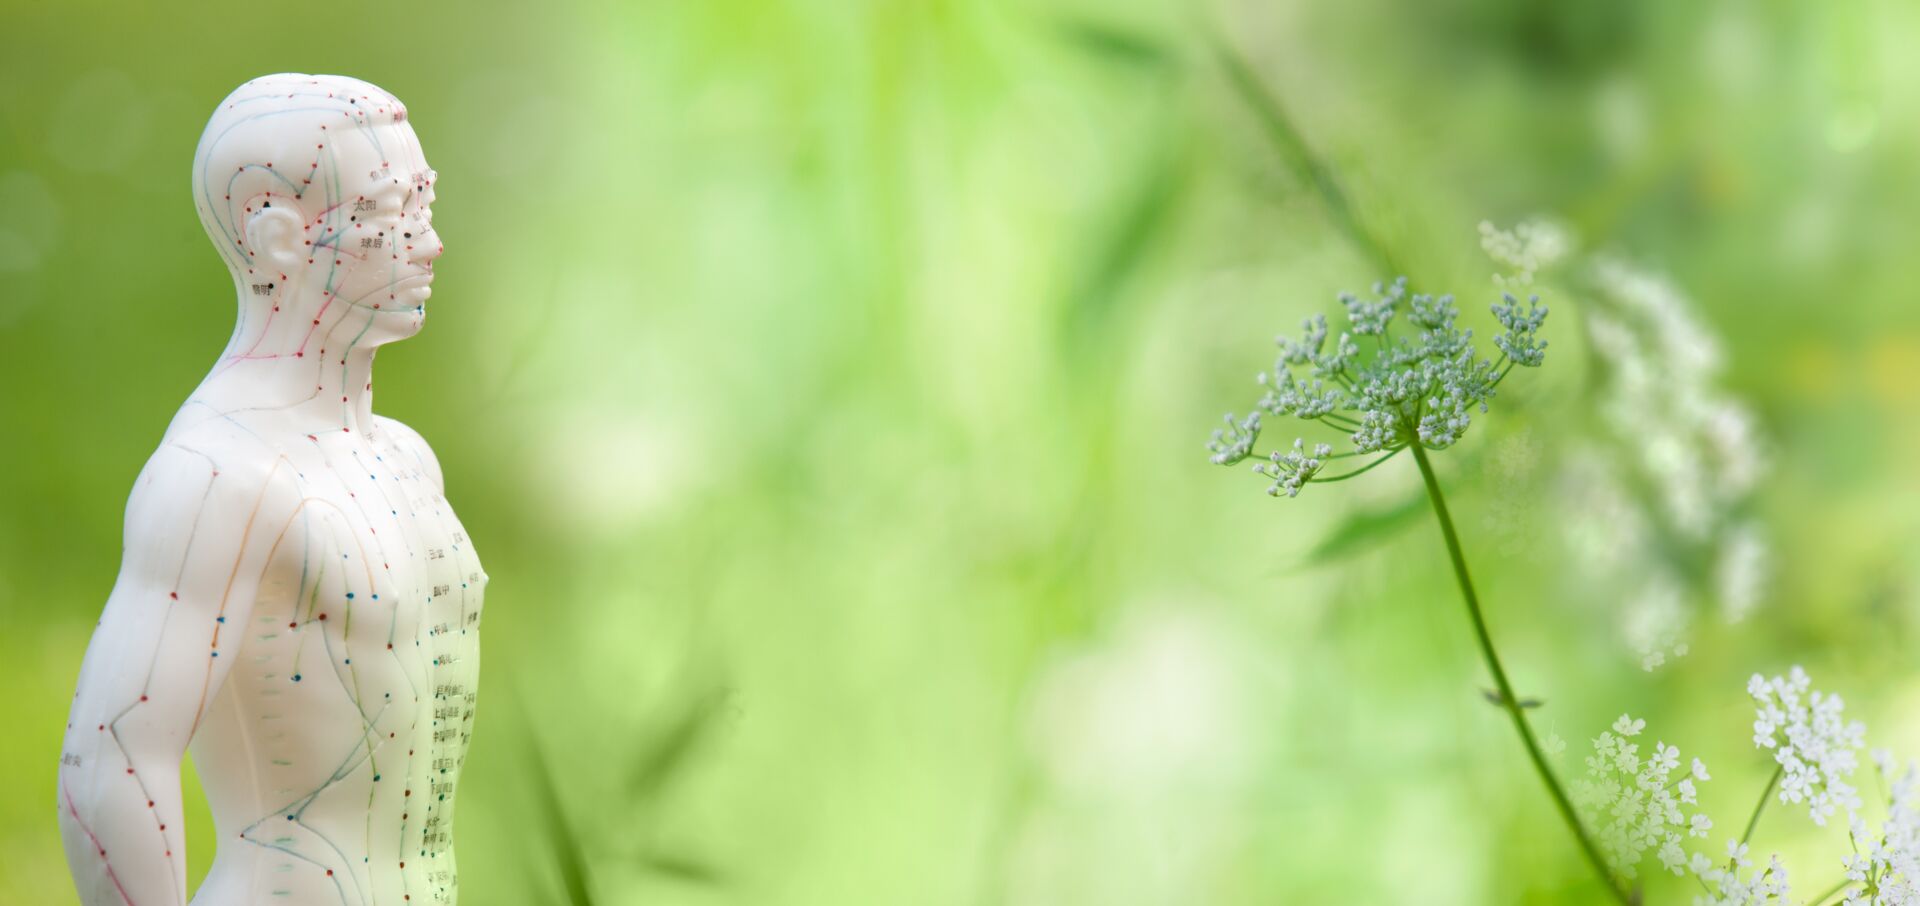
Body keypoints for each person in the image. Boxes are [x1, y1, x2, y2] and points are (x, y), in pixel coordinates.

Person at [58, 73, 484, 906]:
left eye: (423, 205)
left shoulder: (404, 459)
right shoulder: (218, 474)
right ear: (278, 237)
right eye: (388, 214)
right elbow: (110, 758)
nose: (428, 245)